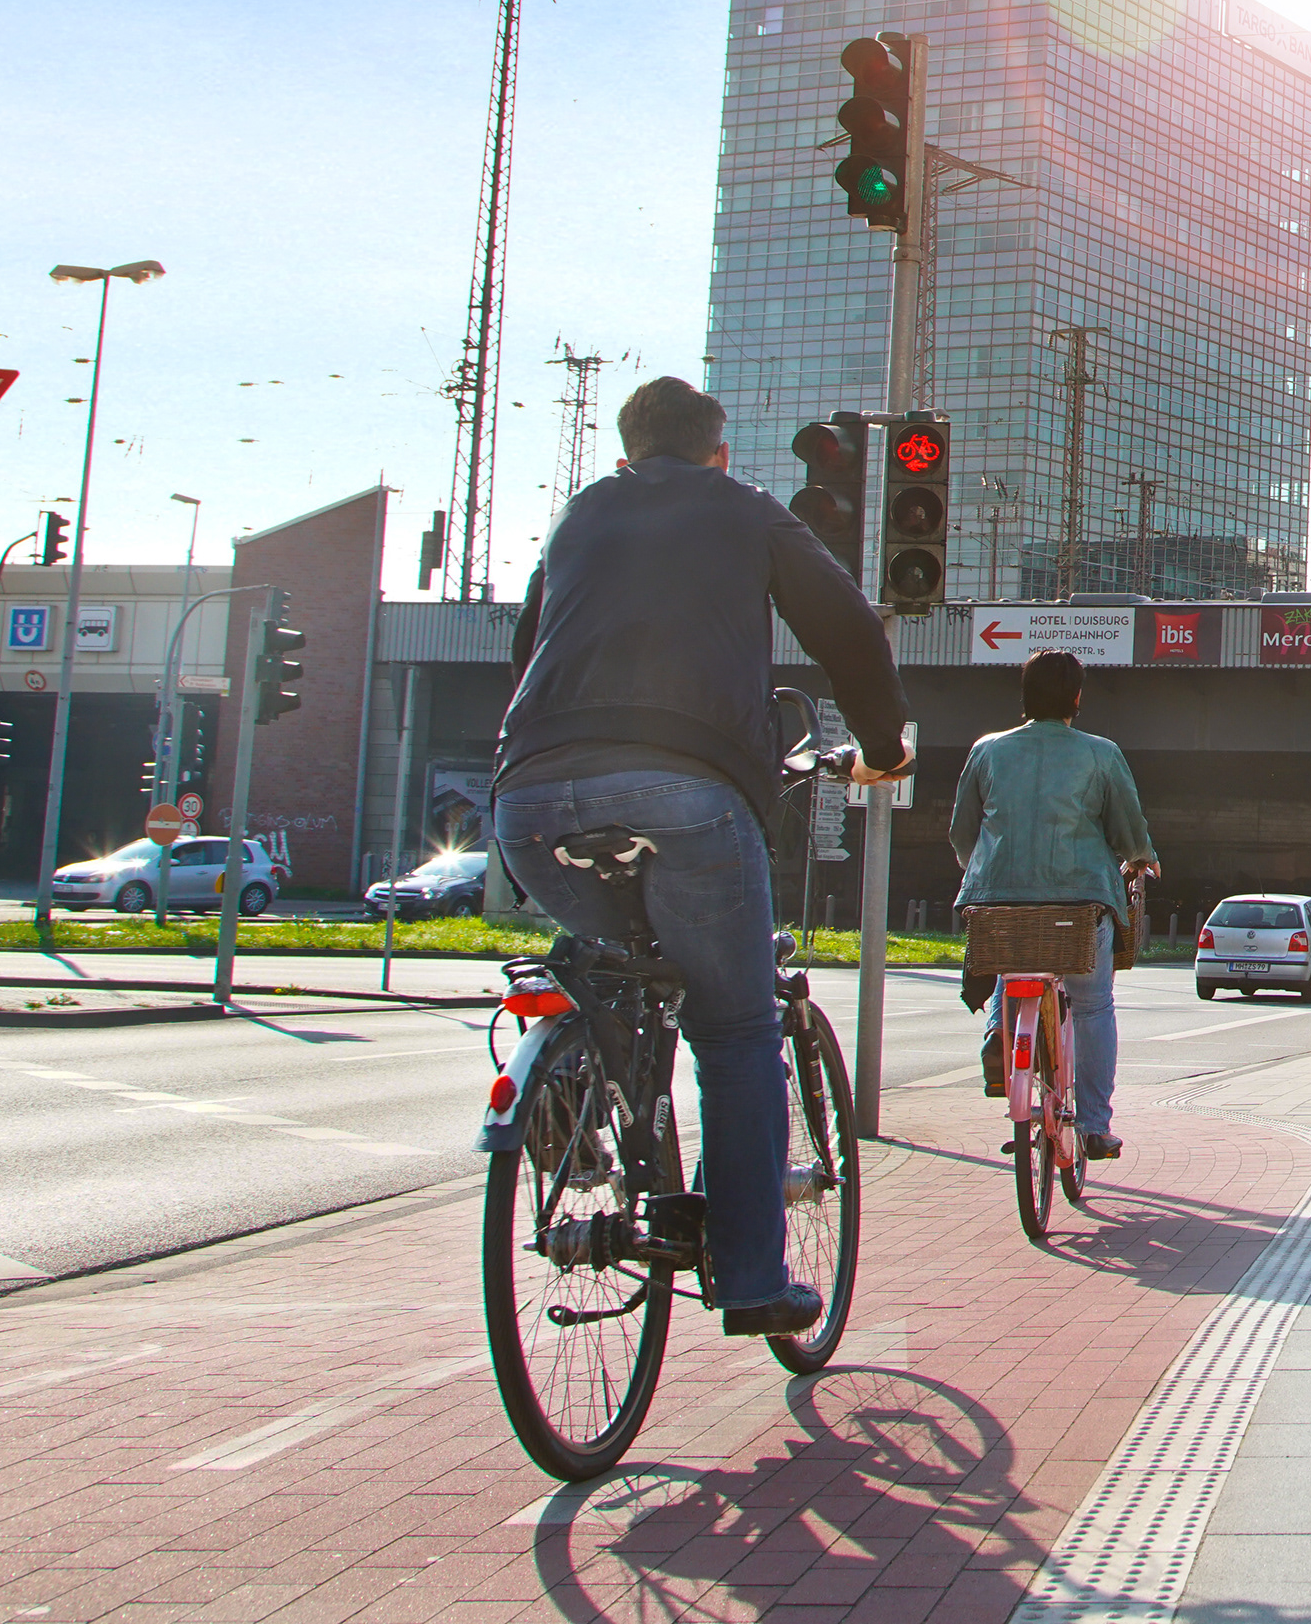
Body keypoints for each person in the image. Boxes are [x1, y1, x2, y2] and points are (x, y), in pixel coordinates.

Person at [493, 375, 909, 1336]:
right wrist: (884, 745)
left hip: (531, 798)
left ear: (626, 452)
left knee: (608, 967)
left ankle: (574, 1078)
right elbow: (846, 627)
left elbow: (526, 653)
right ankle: (753, 1277)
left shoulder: (579, 515)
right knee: (733, 1029)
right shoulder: (745, 508)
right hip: (688, 791)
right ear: (719, 451)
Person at [952, 649, 1157, 1160]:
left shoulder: (987, 750)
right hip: (1080, 903)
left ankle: (1000, 1032)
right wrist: (1141, 857)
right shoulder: (1101, 754)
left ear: (1023, 696)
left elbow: (962, 832)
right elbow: (1128, 831)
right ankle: (1094, 1125)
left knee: (1008, 962)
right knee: (1093, 1006)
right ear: (1077, 699)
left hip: (999, 901)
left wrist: (986, 873)